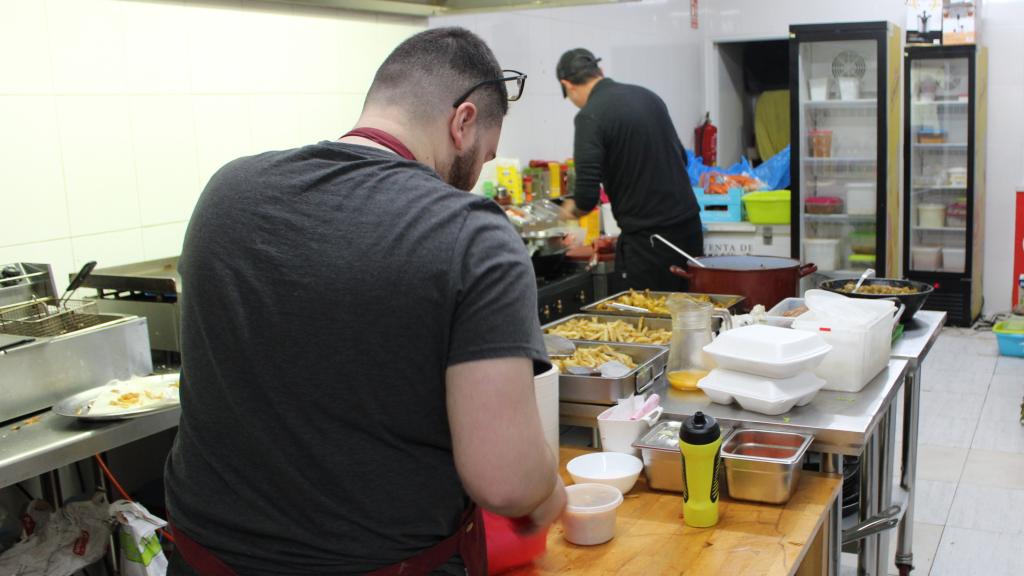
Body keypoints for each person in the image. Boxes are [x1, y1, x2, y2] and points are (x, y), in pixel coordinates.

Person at [164, 27, 565, 576]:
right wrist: (545, 486)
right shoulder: (470, 235)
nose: (473, 181)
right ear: (463, 122)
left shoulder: (225, 193)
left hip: (205, 563)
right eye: (483, 160)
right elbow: (505, 481)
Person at [556, 48, 703, 292]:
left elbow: (585, 197)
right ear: (600, 72)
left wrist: (562, 212)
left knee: (646, 323)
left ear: (567, 85)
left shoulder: (590, 116)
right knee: (690, 314)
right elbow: (681, 158)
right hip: (689, 230)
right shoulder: (648, 97)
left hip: (650, 243)